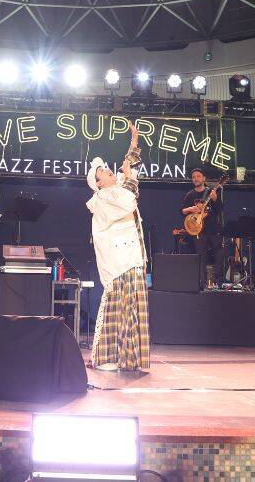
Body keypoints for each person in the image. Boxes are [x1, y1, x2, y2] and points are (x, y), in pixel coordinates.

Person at [86, 125, 150, 372]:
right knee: (117, 307)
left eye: (106, 167)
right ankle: (106, 357)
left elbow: (128, 168)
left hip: (133, 257)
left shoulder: (117, 188)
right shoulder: (103, 198)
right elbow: (128, 201)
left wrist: (134, 140)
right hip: (119, 262)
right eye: (102, 171)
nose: (108, 169)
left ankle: (129, 358)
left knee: (132, 308)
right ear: (98, 183)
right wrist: (129, 176)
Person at [181, 168, 226, 289]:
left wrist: (215, 199)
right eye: (193, 177)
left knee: (219, 255)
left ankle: (218, 283)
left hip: (213, 230)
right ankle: (202, 284)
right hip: (199, 232)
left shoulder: (211, 192)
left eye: (198, 176)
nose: (195, 178)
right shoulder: (190, 195)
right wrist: (191, 209)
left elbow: (220, 210)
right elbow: (182, 211)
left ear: (204, 178)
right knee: (201, 258)